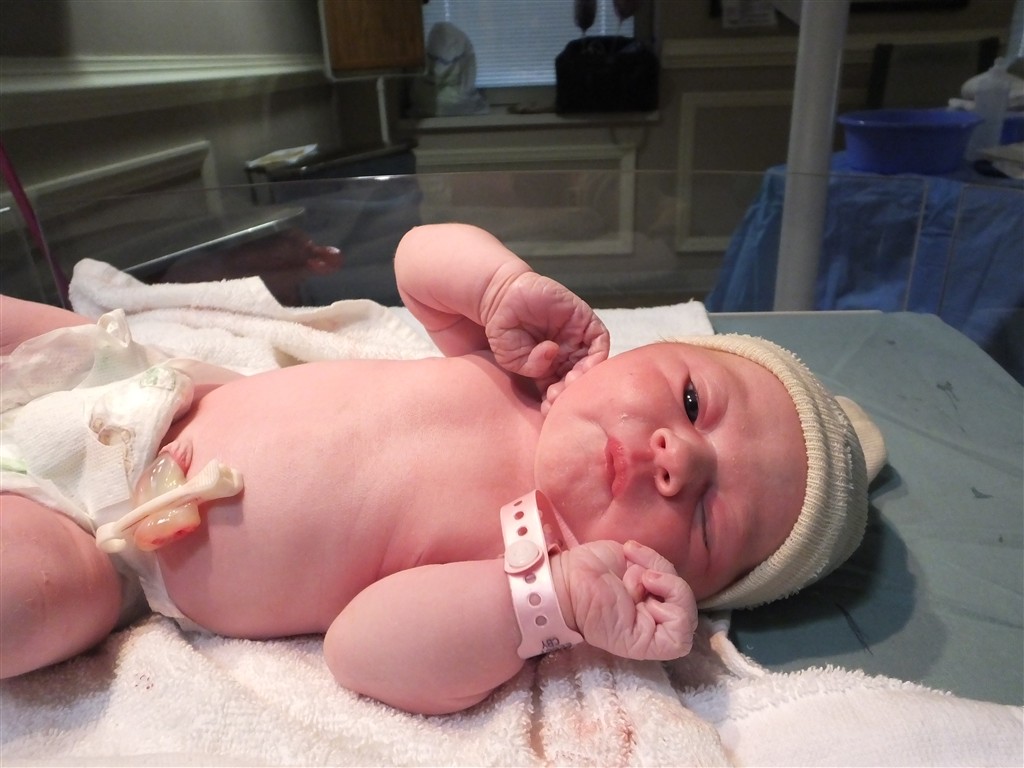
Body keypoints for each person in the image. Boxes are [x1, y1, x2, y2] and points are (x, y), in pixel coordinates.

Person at [0, 223, 885, 715]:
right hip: (147, 388)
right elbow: (417, 262)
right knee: (43, 334)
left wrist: (548, 602)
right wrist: (497, 287)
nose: (679, 458)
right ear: (648, 352)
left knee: (36, 603)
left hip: (112, 544)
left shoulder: (527, 561)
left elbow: (362, 650)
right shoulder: (522, 368)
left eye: (709, 515)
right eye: (692, 402)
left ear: (668, 580)